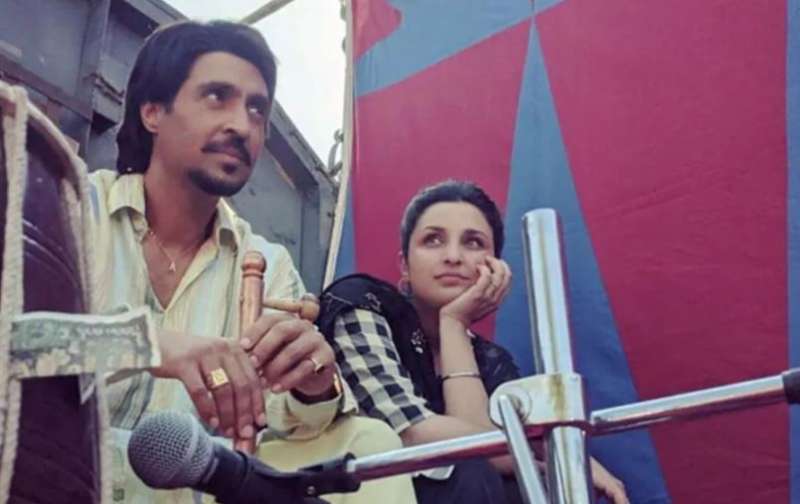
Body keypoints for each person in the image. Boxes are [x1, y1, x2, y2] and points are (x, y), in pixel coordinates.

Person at [90, 20, 415, 503]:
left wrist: (313, 386)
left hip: (200, 485)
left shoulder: (269, 263)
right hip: (52, 470)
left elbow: (287, 419)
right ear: (153, 112)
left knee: (369, 441)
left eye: (257, 109)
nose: (243, 127)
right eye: (216, 96)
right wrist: (151, 346)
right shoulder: (70, 206)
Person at [317, 180, 628, 504]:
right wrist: (560, 455)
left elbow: (486, 457)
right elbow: (414, 434)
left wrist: (453, 325)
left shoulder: (491, 360)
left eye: (473, 242)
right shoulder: (363, 303)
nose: (453, 256)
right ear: (405, 265)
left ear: (495, 266)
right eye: (433, 240)